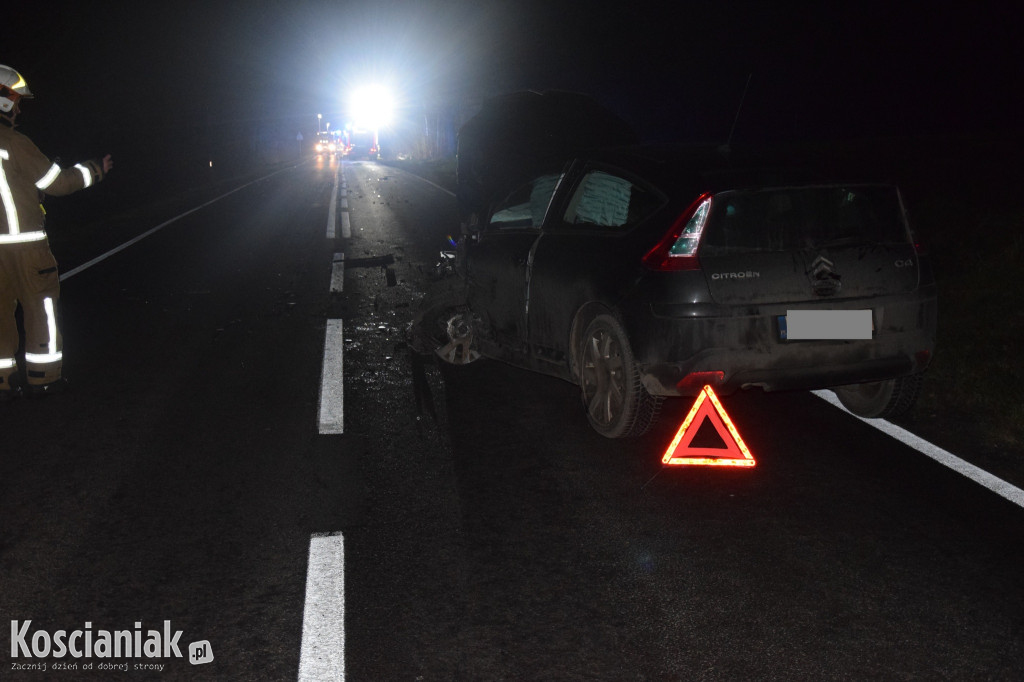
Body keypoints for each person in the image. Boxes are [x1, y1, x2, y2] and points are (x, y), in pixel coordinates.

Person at [0, 64, 112, 400]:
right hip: (27, 248)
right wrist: (94, 170)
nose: (19, 108)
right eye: (17, 101)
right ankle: (43, 377)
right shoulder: (16, 143)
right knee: (40, 307)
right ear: (3, 102)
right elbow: (58, 183)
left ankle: (3, 382)